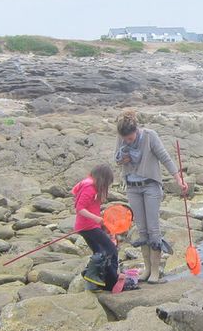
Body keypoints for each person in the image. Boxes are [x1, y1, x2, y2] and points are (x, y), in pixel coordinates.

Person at [115, 109, 187, 283]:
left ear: (136, 130)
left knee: (154, 229)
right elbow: (116, 159)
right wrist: (121, 160)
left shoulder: (150, 136)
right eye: (124, 139)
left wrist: (178, 179)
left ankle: (155, 270)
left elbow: (165, 158)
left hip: (151, 186)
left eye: (130, 139)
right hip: (132, 187)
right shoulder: (121, 137)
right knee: (142, 230)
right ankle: (146, 269)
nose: (127, 141)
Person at [72, 164, 119, 291]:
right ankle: (111, 281)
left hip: (86, 226)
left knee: (99, 253)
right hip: (88, 226)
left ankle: (94, 279)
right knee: (111, 250)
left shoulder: (92, 186)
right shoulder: (90, 188)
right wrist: (96, 219)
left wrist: (100, 216)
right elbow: (79, 208)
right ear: (103, 179)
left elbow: (89, 206)